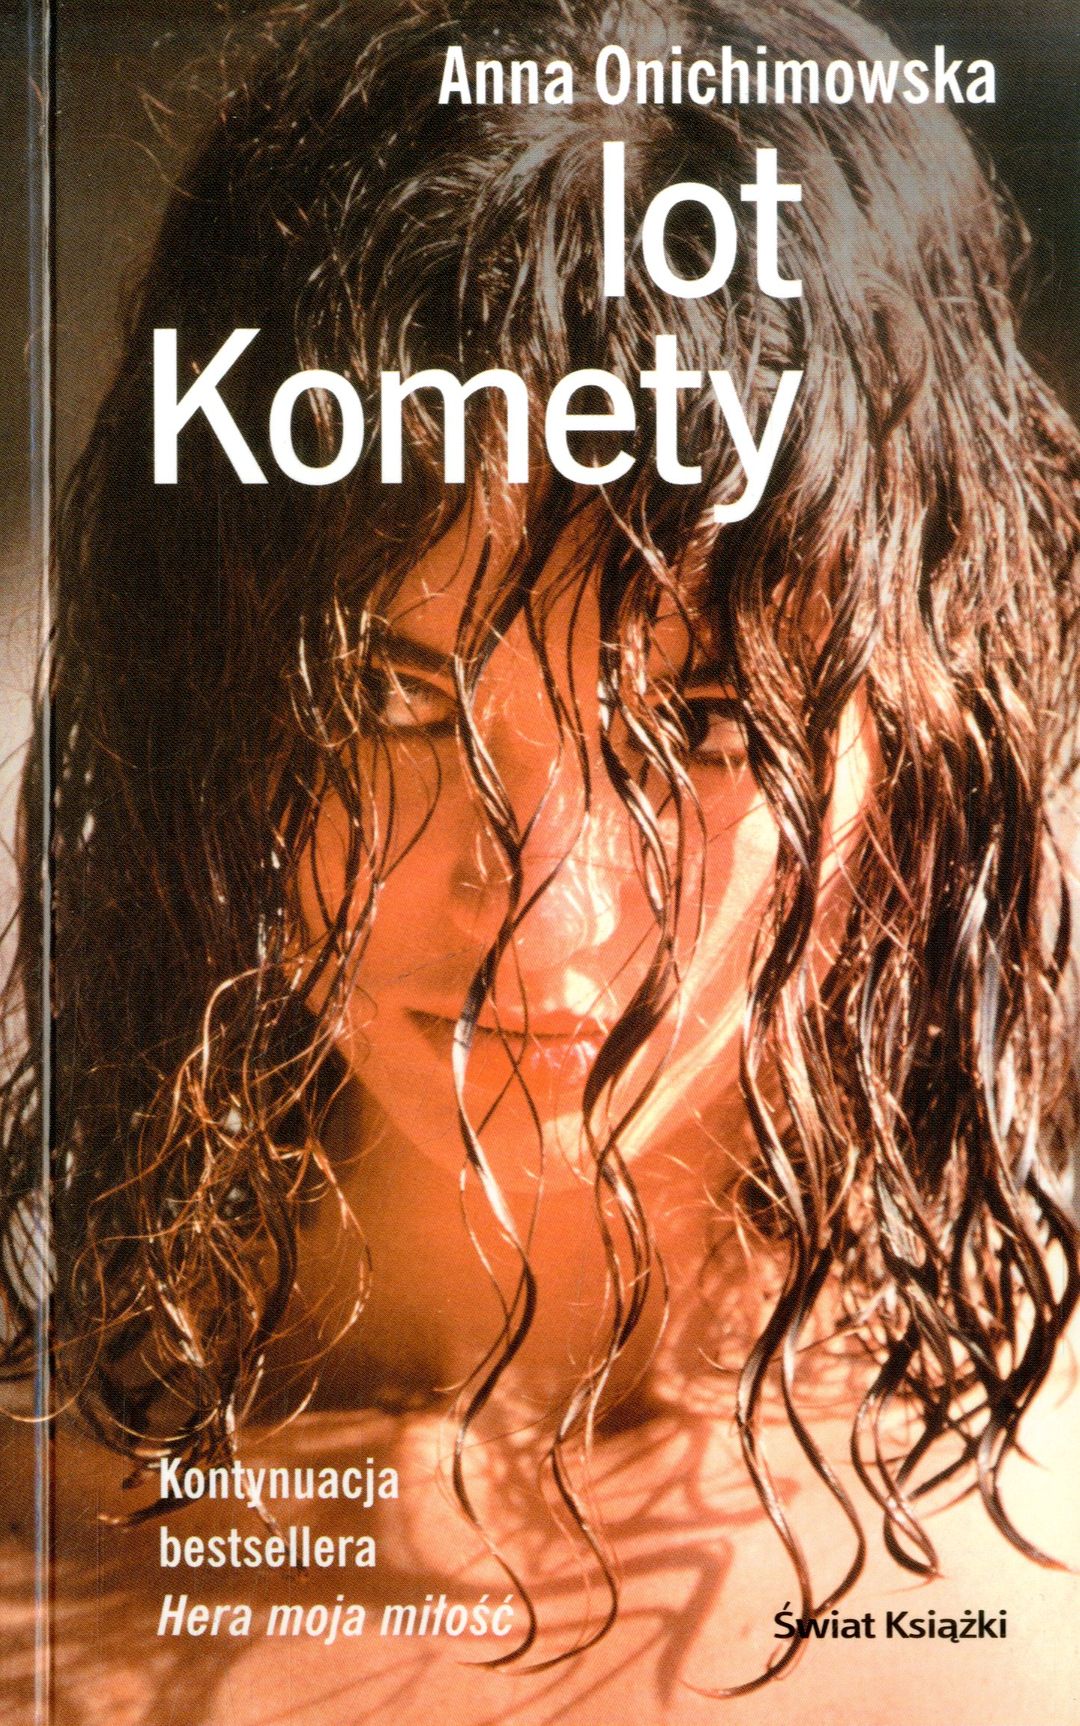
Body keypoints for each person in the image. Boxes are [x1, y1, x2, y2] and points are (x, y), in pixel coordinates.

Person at [2, 0, 1079, 1720]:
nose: (542, 915)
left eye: (709, 723)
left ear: (928, 729)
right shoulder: (36, 1536)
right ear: (203, 690)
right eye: (392, 694)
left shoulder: (1033, 1581)